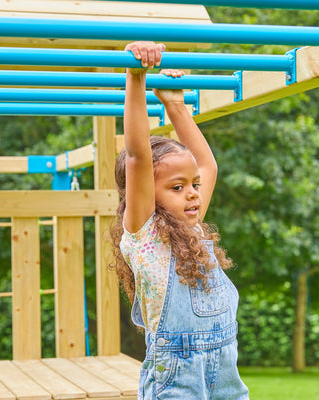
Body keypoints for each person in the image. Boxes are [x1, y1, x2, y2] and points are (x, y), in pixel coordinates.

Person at [110, 41, 249, 400]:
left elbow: (208, 165)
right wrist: (136, 77)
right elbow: (139, 156)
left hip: (225, 366)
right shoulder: (144, 232)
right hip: (176, 373)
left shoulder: (192, 224)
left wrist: (175, 104)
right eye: (177, 187)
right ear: (144, 194)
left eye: (194, 186)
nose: (192, 193)